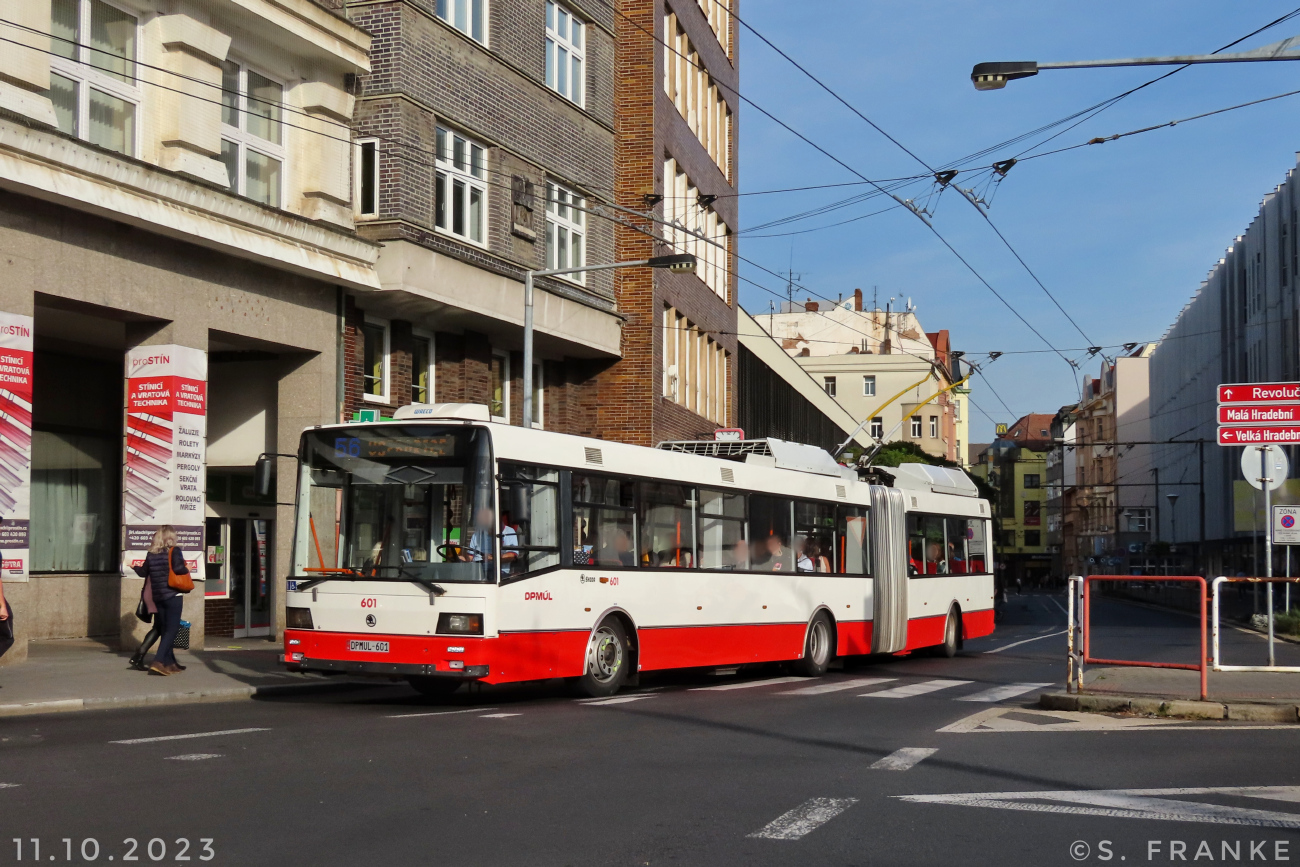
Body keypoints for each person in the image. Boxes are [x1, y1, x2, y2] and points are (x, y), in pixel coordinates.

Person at [132, 526, 189, 676]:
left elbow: (144, 572)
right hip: (172, 595)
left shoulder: (151, 554)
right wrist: (186, 568)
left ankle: (169, 663)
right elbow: (178, 569)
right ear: (170, 537)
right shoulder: (174, 551)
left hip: (158, 597)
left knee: (164, 629)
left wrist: (134, 567)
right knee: (172, 630)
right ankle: (158, 661)